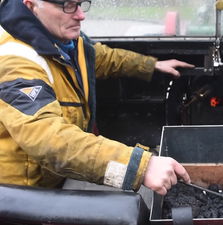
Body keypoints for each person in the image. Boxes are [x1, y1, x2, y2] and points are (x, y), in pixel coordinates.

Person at [0, 0, 193, 195]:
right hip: (22, 197)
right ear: (31, 4)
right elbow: (48, 140)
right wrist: (140, 166)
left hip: (59, 178)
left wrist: (150, 66)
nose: (80, 15)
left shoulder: (65, 40)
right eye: (67, 5)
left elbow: (98, 57)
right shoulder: (15, 62)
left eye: (80, 4)